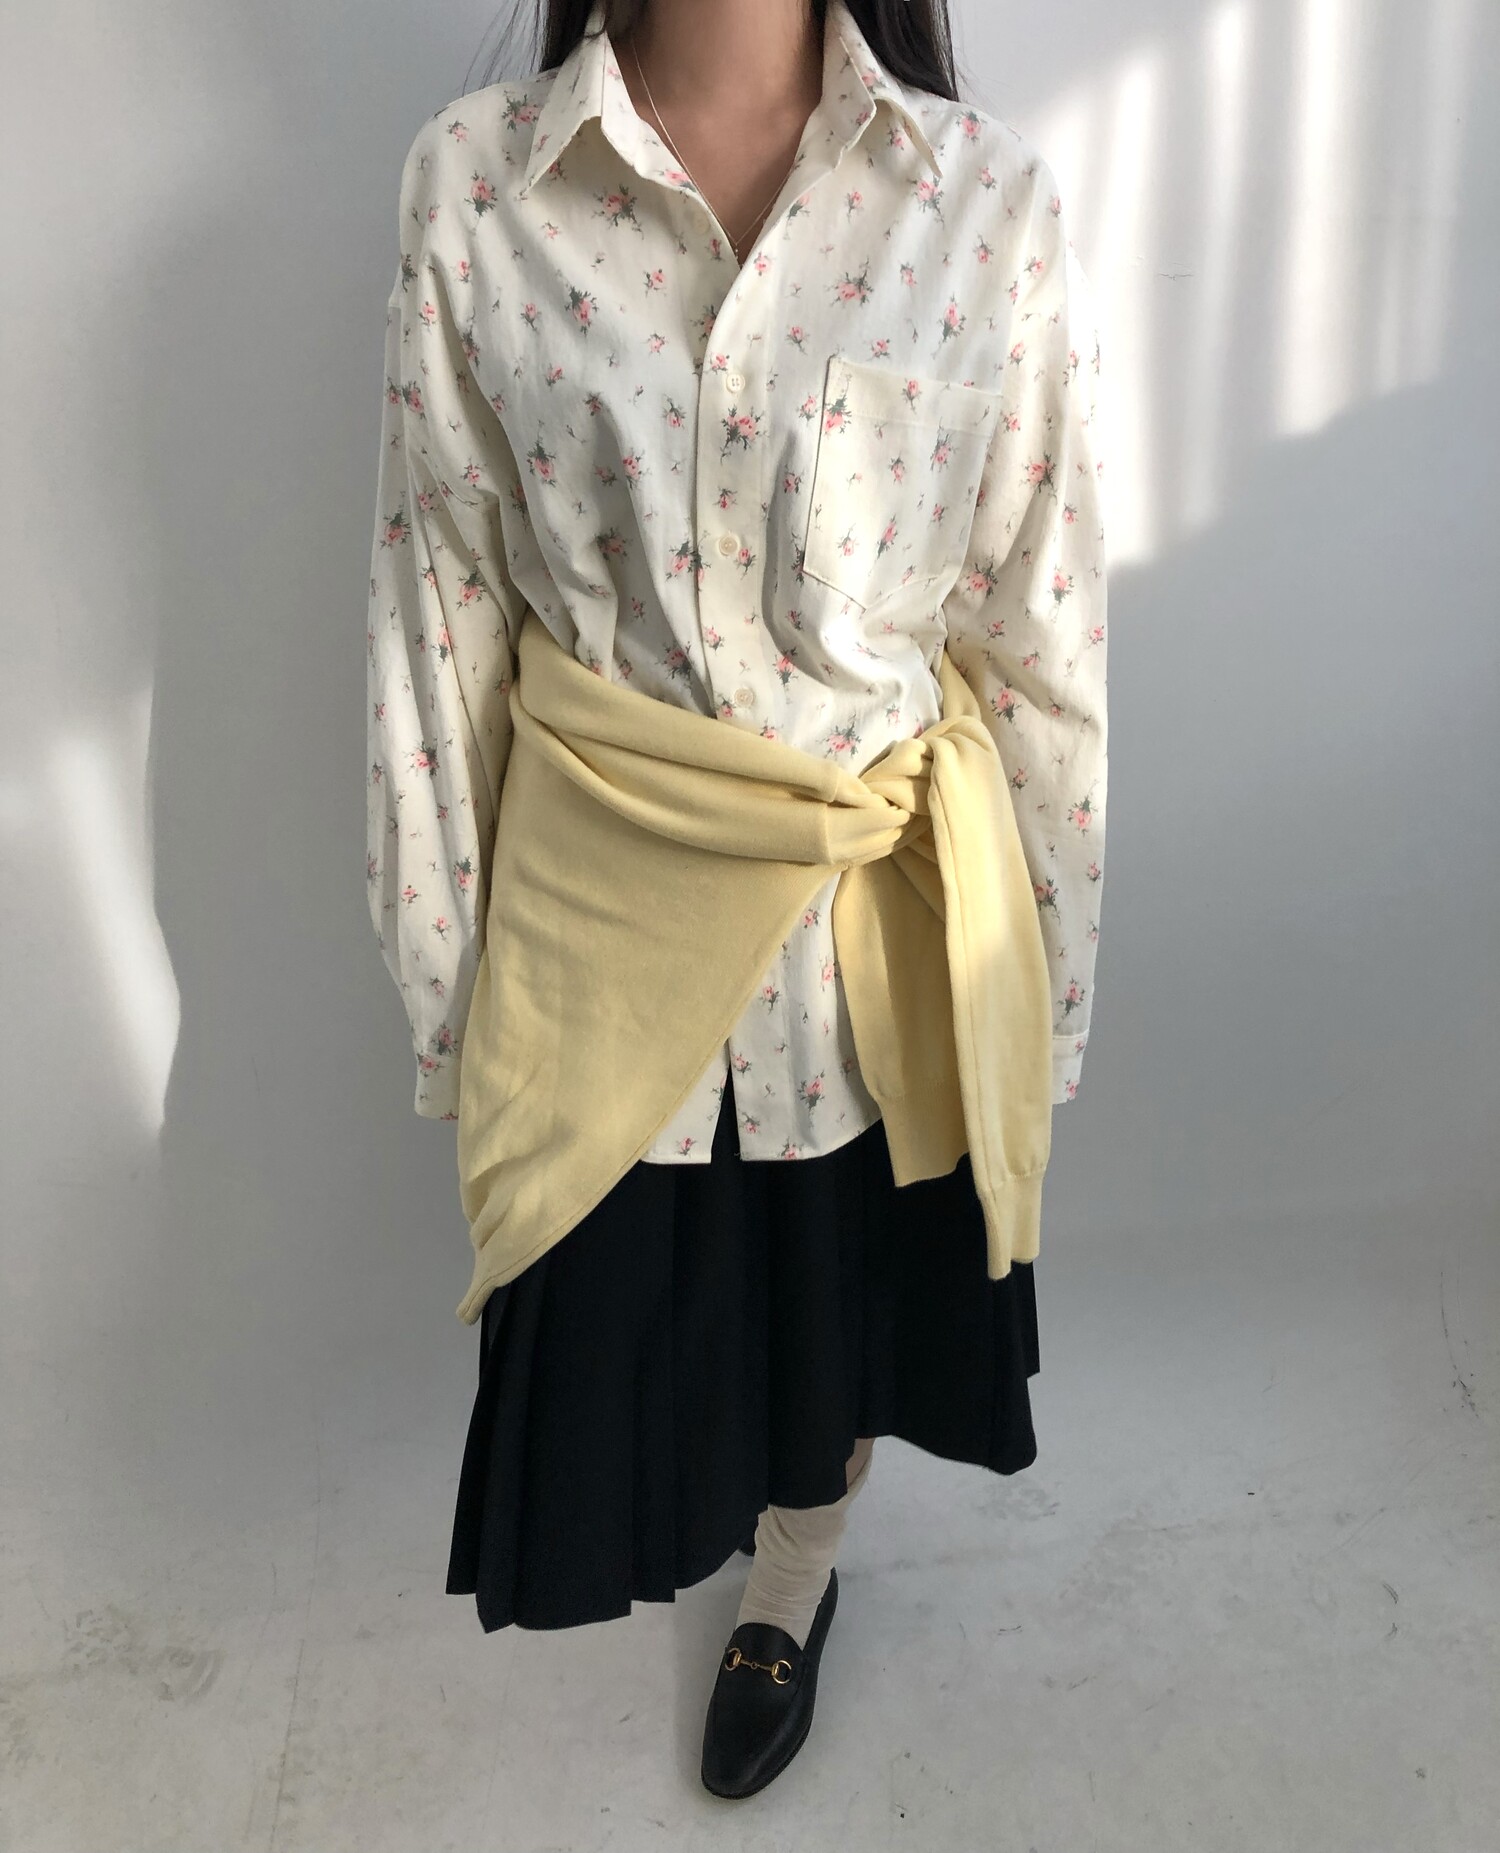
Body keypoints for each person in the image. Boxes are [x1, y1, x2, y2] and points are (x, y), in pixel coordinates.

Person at [364, 0, 1107, 1800]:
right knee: (643, 1360)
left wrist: (1044, 1001)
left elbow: (1037, 638)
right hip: (604, 943)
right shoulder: (477, 190)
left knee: (842, 1323)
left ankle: (794, 1581)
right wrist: (450, 991)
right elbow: (435, 620)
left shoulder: (980, 202)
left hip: (871, 957)